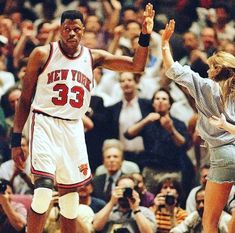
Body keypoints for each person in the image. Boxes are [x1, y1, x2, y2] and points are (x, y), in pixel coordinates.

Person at [11, 4, 155, 233]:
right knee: (43, 191)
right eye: (67, 29)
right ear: (60, 30)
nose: (71, 33)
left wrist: (145, 35)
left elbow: (136, 66)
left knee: (70, 198)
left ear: (83, 31)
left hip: (74, 127)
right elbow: (25, 99)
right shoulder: (42, 53)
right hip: (45, 122)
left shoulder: (93, 57)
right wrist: (16, 139)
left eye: (76, 29)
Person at [161, 19, 235, 233]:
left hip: (223, 155)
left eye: (211, 67)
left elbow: (173, 69)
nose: (208, 70)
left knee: (209, 222)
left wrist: (165, 44)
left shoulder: (206, 86)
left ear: (218, 68)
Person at [92, 174, 156, 233]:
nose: (124, 193)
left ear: (135, 191)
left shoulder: (144, 212)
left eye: (128, 190)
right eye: (122, 189)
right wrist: (111, 202)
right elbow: (96, 227)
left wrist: (136, 209)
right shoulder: (108, 211)